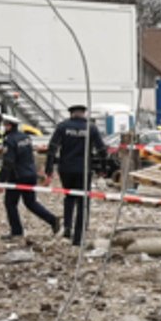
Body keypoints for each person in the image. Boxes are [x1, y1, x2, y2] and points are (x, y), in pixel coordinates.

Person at [46, 105, 109, 246]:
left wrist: (48, 169)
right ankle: (78, 237)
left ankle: (67, 227)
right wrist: (102, 168)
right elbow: (102, 150)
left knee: (69, 197)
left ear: (71, 114)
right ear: (83, 113)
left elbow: (52, 147)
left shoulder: (62, 127)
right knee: (83, 202)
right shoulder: (91, 128)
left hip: (66, 169)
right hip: (83, 169)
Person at [0, 119, 59, 240]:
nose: (3, 127)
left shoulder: (9, 140)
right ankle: (52, 220)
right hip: (30, 174)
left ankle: (16, 231)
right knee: (31, 203)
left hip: (17, 176)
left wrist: (1, 180)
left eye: (5, 125)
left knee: (10, 203)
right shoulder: (25, 137)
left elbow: (8, 162)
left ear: (9, 126)